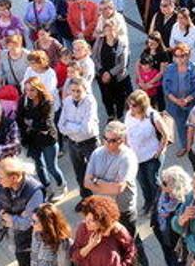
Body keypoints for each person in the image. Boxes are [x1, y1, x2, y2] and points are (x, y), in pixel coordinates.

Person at [84, 120, 146, 265]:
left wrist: (97, 181)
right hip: (102, 211)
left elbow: (118, 188)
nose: (107, 143)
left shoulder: (127, 157)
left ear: (122, 140)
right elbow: (86, 183)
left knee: (132, 246)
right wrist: (106, 184)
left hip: (122, 211)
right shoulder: (97, 153)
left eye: (112, 141)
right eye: (105, 139)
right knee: (111, 247)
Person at [19, 77, 67, 200]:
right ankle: (47, 189)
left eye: (32, 90)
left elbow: (46, 124)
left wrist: (30, 123)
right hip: (32, 140)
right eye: (27, 90)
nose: (29, 93)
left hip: (48, 140)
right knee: (39, 167)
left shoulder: (47, 102)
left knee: (52, 167)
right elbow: (19, 120)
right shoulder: (23, 100)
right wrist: (33, 124)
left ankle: (62, 186)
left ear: (39, 89)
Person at [124, 90, 169, 213]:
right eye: (129, 104)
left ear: (142, 105)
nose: (130, 108)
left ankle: (158, 205)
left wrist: (159, 151)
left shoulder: (153, 116)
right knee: (142, 182)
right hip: (135, 157)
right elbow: (126, 132)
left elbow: (166, 135)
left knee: (153, 182)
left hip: (151, 156)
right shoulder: (129, 114)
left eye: (134, 105)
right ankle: (148, 202)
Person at [0, 157, 46, 266]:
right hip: (15, 240)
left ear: (14, 178)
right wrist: (8, 217)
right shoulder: (3, 186)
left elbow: (27, 224)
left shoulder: (34, 192)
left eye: (0, 177)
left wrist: (10, 219)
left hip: (32, 244)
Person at [70, 195, 136, 266]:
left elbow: (131, 252)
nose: (86, 222)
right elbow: (74, 256)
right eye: (86, 217)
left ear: (102, 221)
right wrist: (89, 246)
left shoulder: (117, 232)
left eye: (91, 220)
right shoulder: (83, 228)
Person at [92, 19, 132, 120]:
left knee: (119, 97)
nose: (109, 32)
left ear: (116, 30)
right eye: (107, 29)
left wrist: (110, 73)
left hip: (117, 76)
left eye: (111, 29)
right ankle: (110, 114)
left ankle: (119, 115)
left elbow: (123, 63)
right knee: (106, 98)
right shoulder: (100, 41)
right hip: (102, 76)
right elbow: (95, 57)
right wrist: (102, 72)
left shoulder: (122, 43)